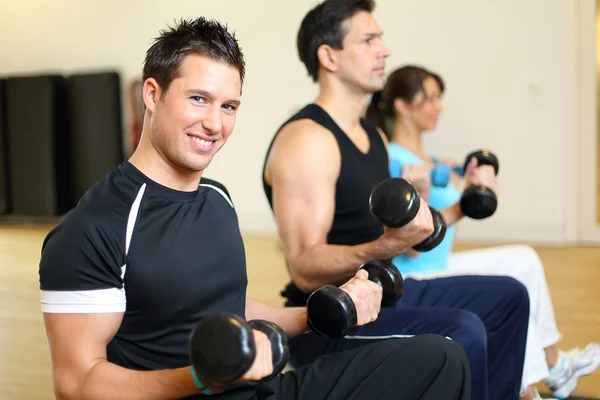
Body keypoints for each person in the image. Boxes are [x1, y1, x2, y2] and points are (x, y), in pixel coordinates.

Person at [37, 17, 472, 400]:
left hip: (260, 389)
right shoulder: (94, 228)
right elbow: (78, 385)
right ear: (152, 94)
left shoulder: (216, 199)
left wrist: (326, 310)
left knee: (441, 357)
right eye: (198, 99)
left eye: (228, 106)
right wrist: (204, 379)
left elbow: (230, 308)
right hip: (200, 392)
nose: (214, 124)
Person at [261, 1, 531, 400]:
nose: (384, 50)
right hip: (334, 317)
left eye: (381, 39)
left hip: (386, 291)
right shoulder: (307, 140)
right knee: (464, 330)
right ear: (329, 56)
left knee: (510, 296)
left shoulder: (374, 137)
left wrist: (444, 203)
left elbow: (408, 237)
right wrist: (383, 246)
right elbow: (303, 267)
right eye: (369, 40)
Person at [364, 64, 600, 400]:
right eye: (429, 98)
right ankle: (536, 383)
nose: (438, 106)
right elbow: (414, 235)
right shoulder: (398, 164)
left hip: (437, 265)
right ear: (402, 106)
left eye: (439, 98)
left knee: (524, 261)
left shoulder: (427, 161)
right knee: (515, 277)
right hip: (416, 273)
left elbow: (450, 179)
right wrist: (467, 202)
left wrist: (474, 179)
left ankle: (555, 369)